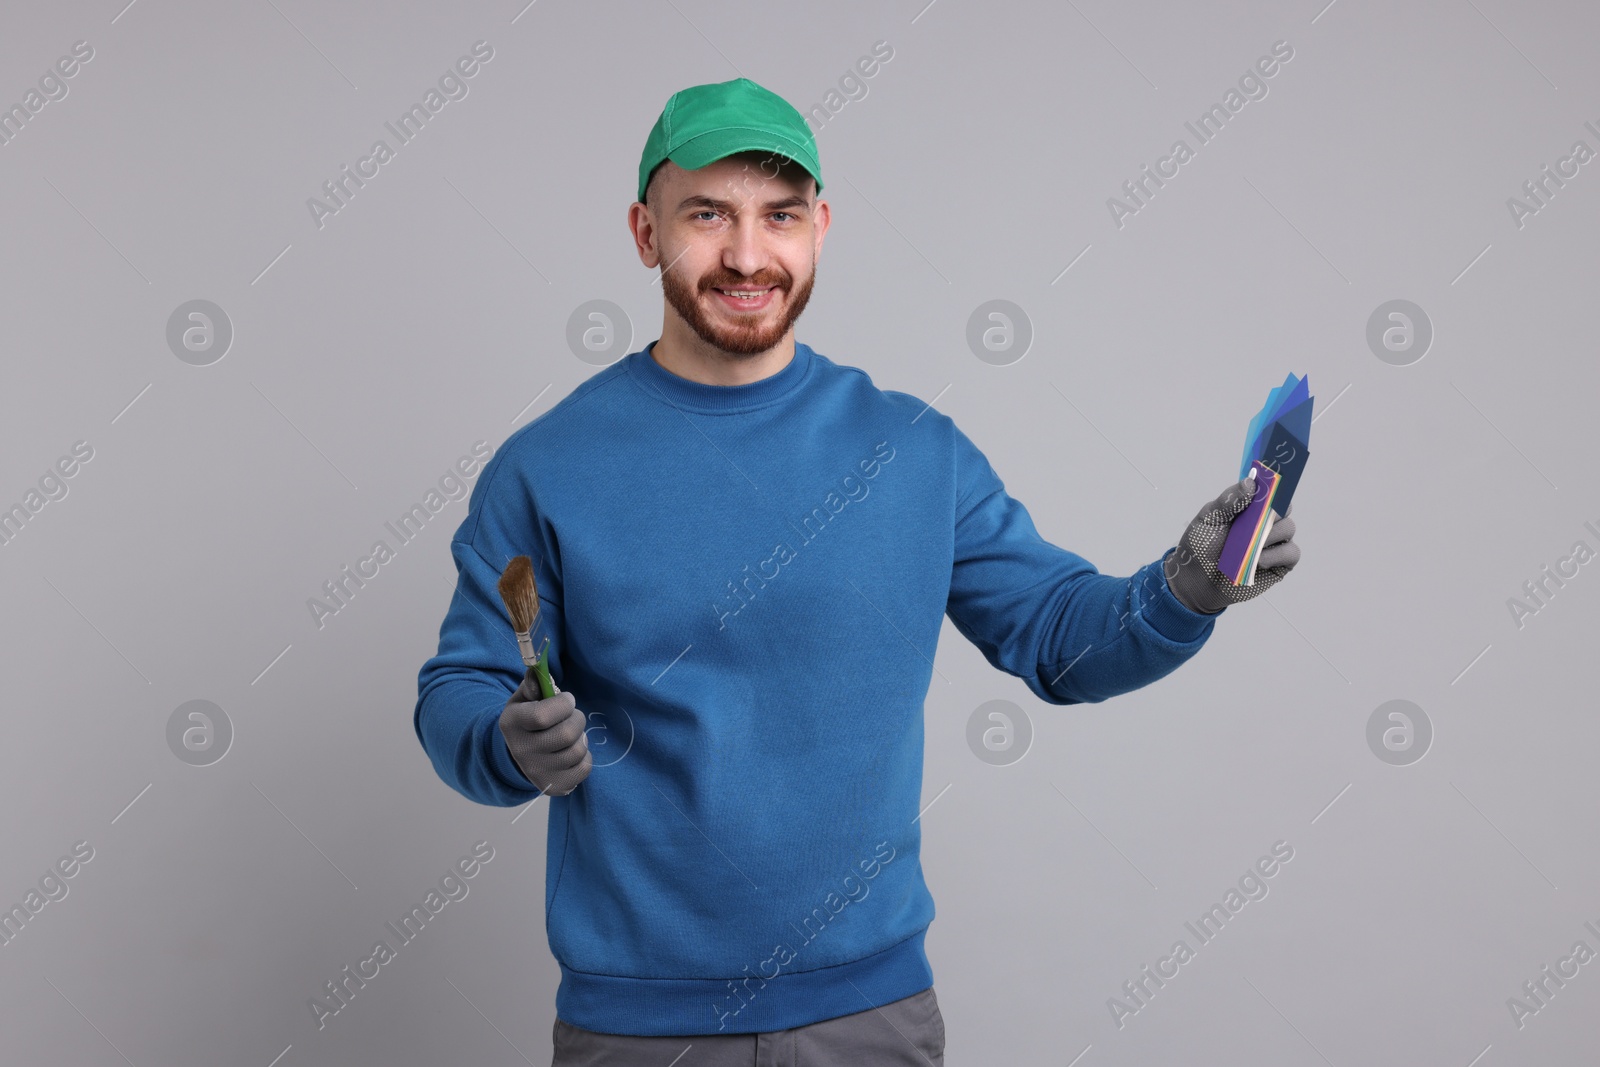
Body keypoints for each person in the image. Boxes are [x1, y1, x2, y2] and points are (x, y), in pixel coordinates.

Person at [413, 77, 1300, 1066]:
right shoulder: (549, 465)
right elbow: (461, 684)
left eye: (778, 216)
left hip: (868, 1019)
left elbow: (1058, 639)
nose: (748, 254)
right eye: (706, 214)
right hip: (636, 1027)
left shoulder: (913, 452)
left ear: (820, 227)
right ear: (644, 230)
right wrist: (502, 741)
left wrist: (1185, 586)